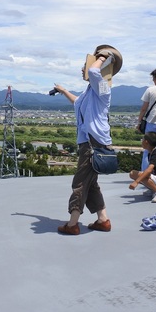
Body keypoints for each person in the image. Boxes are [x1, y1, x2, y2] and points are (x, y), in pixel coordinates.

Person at [54, 44, 123, 235]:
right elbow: (77, 102)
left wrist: (101, 57)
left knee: (80, 183)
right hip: (90, 143)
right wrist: (63, 90)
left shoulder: (103, 88)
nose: (84, 68)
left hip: (93, 144)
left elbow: (93, 71)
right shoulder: (89, 92)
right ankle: (103, 220)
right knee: (91, 184)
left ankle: (72, 224)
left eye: (86, 65)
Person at [128, 132, 156, 203]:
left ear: (146, 142)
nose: (141, 142)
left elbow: (149, 170)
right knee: (132, 173)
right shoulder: (151, 153)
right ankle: (153, 189)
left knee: (143, 175)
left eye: (142, 140)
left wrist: (136, 181)